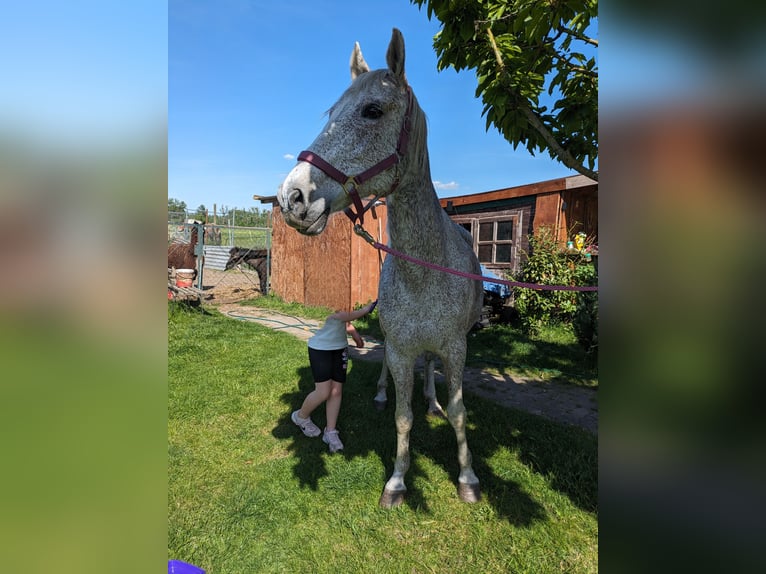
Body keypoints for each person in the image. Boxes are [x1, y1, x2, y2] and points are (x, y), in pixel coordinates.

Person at [291, 300, 377, 453]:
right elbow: (342, 316)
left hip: (340, 349)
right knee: (323, 391)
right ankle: (301, 417)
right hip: (320, 349)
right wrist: (367, 309)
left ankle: (330, 431)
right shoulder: (327, 295)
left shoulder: (342, 296)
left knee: (336, 390)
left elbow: (346, 322)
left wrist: (356, 337)